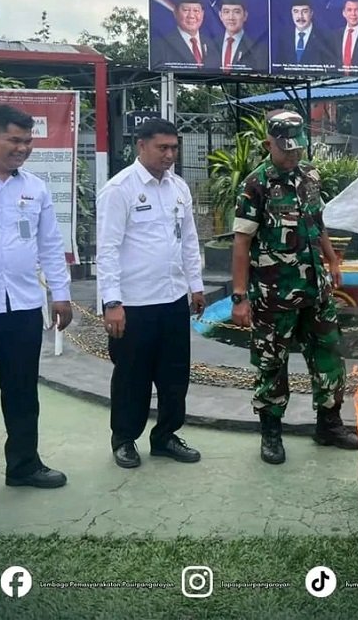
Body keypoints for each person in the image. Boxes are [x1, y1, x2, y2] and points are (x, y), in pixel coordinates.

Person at [231, 110, 358, 464]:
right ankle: (271, 432)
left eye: (298, 148)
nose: (293, 155)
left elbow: (318, 223)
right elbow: (241, 242)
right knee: (272, 363)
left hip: (316, 290)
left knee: (329, 355)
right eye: (286, 149)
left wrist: (332, 261)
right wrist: (239, 297)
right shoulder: (255, 185)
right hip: (274, 295)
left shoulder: (310, 176)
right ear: (269, 144)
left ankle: (329, 424)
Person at [96, 118, 205, 469]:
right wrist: (112, 302)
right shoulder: (119, 189)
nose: (169, 155)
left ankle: (166, 437)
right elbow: (107, 250)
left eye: (174, 148)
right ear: (141, 146)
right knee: (132, 377)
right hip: (134, 304)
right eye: (162, 148)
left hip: (173, 299)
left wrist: (196, 285)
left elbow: (188, 239)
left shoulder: (178, 187)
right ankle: (124, 439)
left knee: (175, 376)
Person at [0, 104, 72, 488]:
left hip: (21, 308)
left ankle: (23, 465)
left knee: (22, 392)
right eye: (14, 140)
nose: (23, 148)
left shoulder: (35, 189)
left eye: (28, 141)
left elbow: (50, 245)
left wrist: (61, 294)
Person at [150, 0, 215, 70]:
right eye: (186, 10)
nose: (191, 16)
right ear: (175, 13)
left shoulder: (213, 45)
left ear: (202, 14)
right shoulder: (161, 45)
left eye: (196, 10)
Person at [210, 0, 267, 73]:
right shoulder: (211, 45)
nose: (231, 17)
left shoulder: (258, 48)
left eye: (236, 12)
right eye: (226, 12)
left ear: (245, 15)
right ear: (220, 15)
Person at [274, 0, 334, 69]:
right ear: (291, 13)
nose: (300, 16)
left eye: (305, 11)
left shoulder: (325, 38)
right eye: (296, 11)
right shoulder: (284, 37)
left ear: (311, 13)